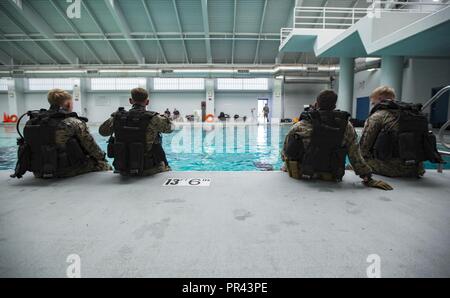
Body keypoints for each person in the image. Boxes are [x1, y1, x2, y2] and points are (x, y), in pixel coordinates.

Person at [281, 90, 393, 190]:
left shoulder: (301, 125)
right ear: (334, 105)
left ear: (316, 104)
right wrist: (368, 177)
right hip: (332, 175)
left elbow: (286, 152)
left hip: (303, 174)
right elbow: (355, 156)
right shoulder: (346, 127)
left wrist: (287, 165)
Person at [11, 89, 111, 179]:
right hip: (64, 170)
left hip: (38, 171)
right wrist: (102, 157)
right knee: (104, 165)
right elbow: (93, 149)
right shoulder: (73, 122)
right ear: (68, 104)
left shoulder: (32, 122)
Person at [359, 86, 442, 177]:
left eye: (373, 103)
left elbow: (363, 148)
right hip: (417, 169)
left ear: (380, 99)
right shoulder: (415, 114)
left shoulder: (378, 116)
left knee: (358, 161)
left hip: (393, 169)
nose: (373, 105)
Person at [99, 88, 173, 176]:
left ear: (130, 101)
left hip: (123, 167)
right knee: (166, 166)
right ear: (147, 102)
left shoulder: (118, 117)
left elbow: (102, 132)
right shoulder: (153, 118)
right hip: (149, 169)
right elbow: (170, 128)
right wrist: (164, 118)